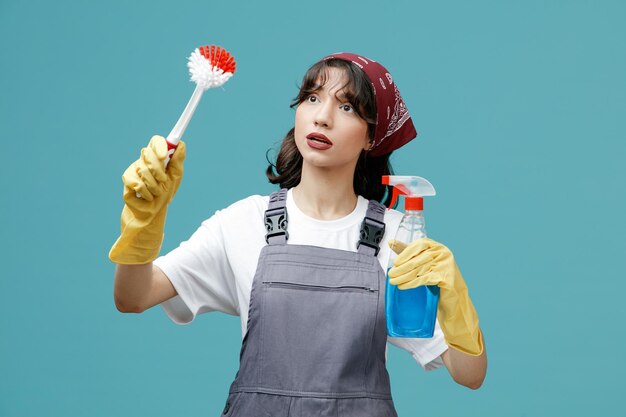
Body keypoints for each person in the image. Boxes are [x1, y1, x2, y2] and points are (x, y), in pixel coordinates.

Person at [110, 52, 487, 416]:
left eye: (347, 107)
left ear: (373, 136)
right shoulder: (244, 222)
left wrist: (457, 302)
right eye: (312, 97)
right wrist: (144, 224)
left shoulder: (396, 237)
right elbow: (133, 296)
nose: (322, 117)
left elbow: (469, 375)